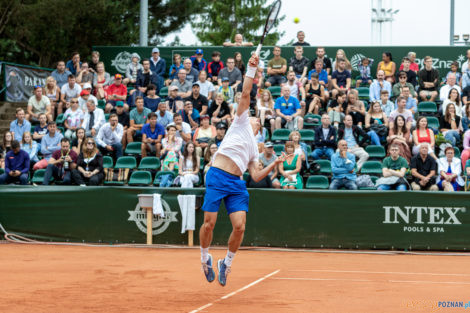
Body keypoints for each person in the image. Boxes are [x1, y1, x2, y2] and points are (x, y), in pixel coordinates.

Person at [199, 54, 285, 287]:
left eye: (258, 121)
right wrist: (251, 69)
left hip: (237, 184)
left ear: (259, 129)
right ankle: (205, 257)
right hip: (217, 175)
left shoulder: (254, 151)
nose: (256, 120)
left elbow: (256, 176)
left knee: (240, 227)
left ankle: (226, 263)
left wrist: (274, 165)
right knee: (209, 223)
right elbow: (246, 93)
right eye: (255, 117)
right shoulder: (240, 121)